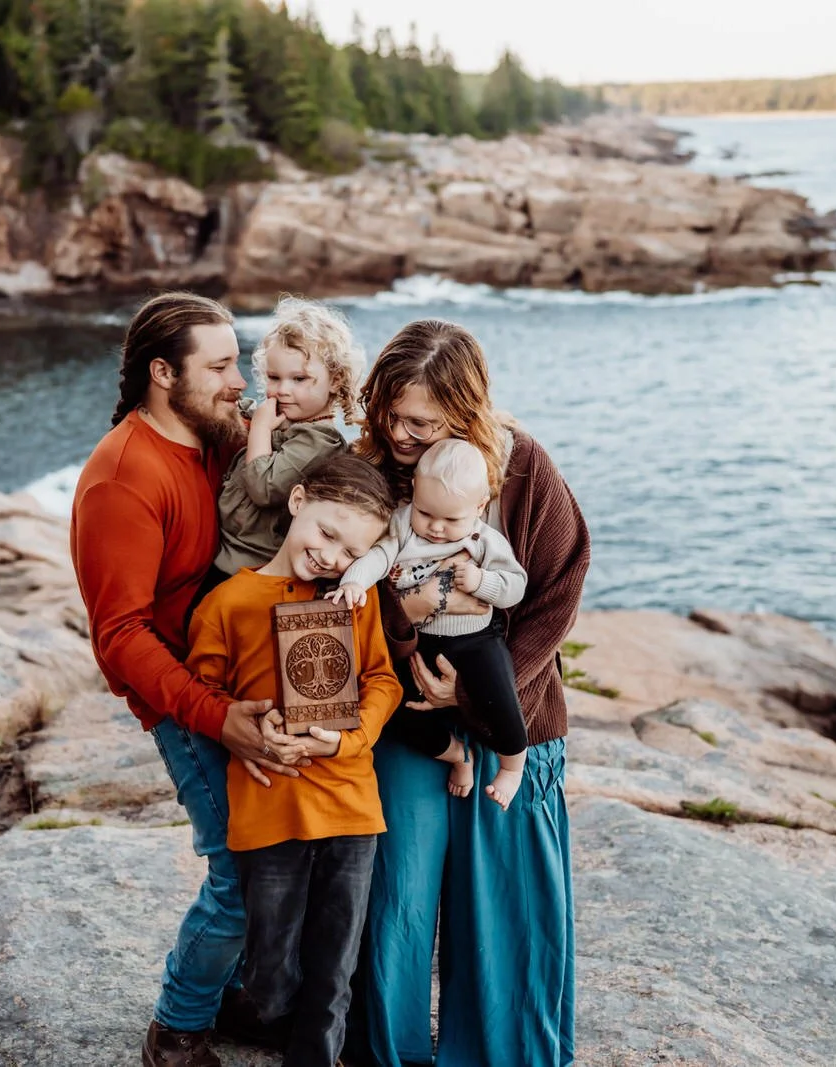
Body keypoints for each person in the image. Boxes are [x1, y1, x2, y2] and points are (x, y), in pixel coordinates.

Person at [71, 291, 313, 1067]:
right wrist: (216, 714)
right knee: (239, 872)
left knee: (286, 856)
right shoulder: (122, 479)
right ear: (162, 373)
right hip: (189, 703)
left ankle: (244, 999)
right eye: (219, 366)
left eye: (238, 361)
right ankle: (176, 1030)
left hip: (249, 682)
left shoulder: (221, 437)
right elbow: (120, 637)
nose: (241, 380)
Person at [349, 320, 591, 1067]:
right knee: (398, 898)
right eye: (390, 411)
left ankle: (505, 1054)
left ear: (465, 413)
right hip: (405, 718)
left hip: (507, 711)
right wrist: (407, 631)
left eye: (421, 421)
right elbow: (343, 591)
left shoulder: (523, 469)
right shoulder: (368, 471)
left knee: (507, 910)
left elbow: (559, 586)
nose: (400, 431)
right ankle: (387, 1053)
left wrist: (484, 696)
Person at [188, 453, 404, 1067]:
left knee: (335, 968)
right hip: (269, 809)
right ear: (297, 500)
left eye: (350, 550)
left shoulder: (350, 601)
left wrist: (346, 739)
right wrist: (243, 731)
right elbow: (205, 699)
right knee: (271, 973)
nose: (333, 556)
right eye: (328, 532)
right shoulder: (227, 603)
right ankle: (247, 1012)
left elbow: (383, 681)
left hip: (349, 807)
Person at [329, 438, 529, 810]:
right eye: (426, 513)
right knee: (392, 711)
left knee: (500, 694)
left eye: (451, 519)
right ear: (415, 492)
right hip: (419, 643)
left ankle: (513, 765)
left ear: (479, 507)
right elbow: (378, 556)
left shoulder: (485, 540)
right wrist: (354, 581)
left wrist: (482, 582)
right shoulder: (403, 525)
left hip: (475, 639)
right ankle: (455, 755)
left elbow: (516, 586)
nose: (436, 528)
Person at [213, 297, 364, 580]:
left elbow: (263, 487)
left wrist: (259, 429)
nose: (282, 390)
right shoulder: (289, 418)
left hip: (254, 565)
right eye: (273, 377)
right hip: (226, 551)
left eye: (299, 379)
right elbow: (247, 412)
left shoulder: (319, 442)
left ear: (335, 380)